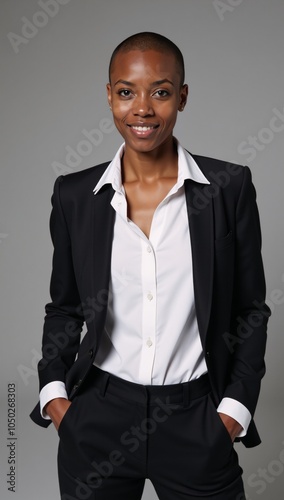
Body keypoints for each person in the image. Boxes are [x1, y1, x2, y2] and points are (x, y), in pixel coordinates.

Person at [30, 32, 271, 500]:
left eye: (160, 91)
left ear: (182, 97)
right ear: (109, 96)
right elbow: (64, 307)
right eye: (126, 92)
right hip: (97, 416)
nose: (142, 108)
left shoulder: (228, 188)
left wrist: (234, 411)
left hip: (196, 418)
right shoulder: (76, 195)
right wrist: (55, 397)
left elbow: (250, 311)